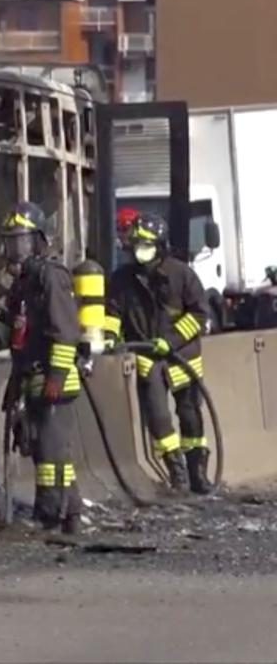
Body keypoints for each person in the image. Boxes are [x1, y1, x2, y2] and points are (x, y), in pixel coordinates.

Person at [0, 201, 83, 532]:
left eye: (21, 240)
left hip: (54, 380)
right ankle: (71, 514)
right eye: (10, 241)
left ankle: (48, 517)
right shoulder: (21, 285)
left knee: (50, 455)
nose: (14, 249)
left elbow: (65, 332)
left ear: (38, 241)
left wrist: (56, 378)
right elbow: (7, 329)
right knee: (49, 450)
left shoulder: (51, 277)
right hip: (30, 378)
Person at [106, 212, 212, 494]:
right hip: (147, 359)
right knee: (158, 418)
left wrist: (171, 341)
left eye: (146, 244)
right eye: (136, 244)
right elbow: (113, 313)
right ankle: (177, 474)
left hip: (183, 358)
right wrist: (108, 337)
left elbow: (200, 314)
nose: (139, 250)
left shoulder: (181, 275)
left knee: (190, 416)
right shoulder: (122, 279)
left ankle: (197, 472)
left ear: (160, 246)